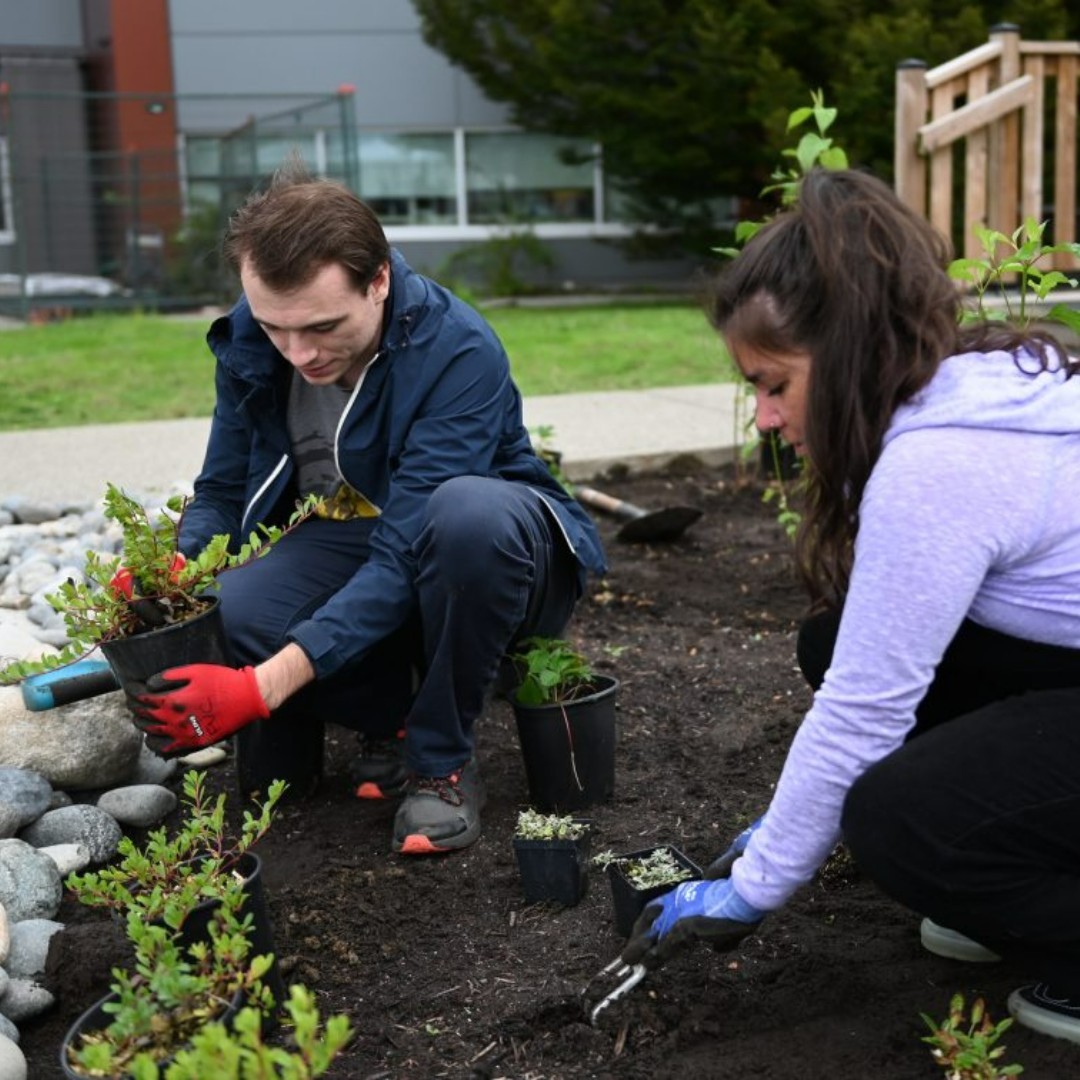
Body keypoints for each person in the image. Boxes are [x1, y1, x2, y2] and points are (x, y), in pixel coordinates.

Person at [622, 167, 1080, 1044]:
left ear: (846, 358)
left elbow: (864, 714)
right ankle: (1016, 874)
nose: (764, 418)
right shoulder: (964, 385)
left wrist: (754, 886)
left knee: (895, 821)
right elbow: (875, 660)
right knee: (832, 642)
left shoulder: (939, 464)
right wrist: (785, 824)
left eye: (775, 384)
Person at [123, 159, 607, 855]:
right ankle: (394, 713)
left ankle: (441, 761)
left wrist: (262, 687)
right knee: (233, 606)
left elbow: (406, 549)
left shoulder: (456, 350)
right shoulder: (254, 337)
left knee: (465, 518)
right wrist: (176, 572)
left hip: (496, 555)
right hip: (362, 542)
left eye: (322, 327)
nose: (298, 353)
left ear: (378, 280)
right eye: (277, 328)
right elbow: (224, 490)